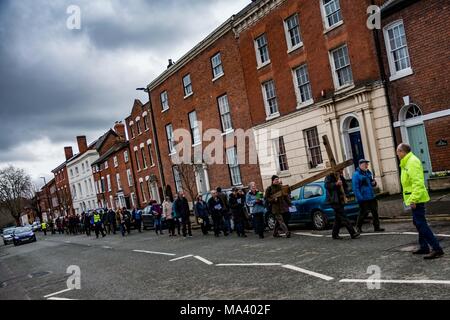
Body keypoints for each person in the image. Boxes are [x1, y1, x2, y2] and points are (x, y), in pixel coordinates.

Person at [397, 143, 444, 259]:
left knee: (421, 223)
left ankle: (437, 248)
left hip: (416, 198)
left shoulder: (412, 162)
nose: (397, 154)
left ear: (403, 152)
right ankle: (424, 246)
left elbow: (417, 182)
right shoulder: (406, 162)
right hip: (413, 197)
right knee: (417, 222)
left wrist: (413, 199)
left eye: (398, 151)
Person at [325, 170, 360, 240]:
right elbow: (327, 185)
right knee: (344, 217)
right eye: (341, 170)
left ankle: (334, 234)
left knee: (338, 219)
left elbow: (345, 185)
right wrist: (336, 184)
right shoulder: (329, 176)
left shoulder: (340, 176)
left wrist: (346, 194)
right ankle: (352, 233)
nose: (342, 172)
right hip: (334, 201)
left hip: (340, 200)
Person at [352, 159, 385, 233]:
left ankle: (377, 227)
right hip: (363, 198)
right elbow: (355, 188)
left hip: (371, 196)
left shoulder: (368, 173)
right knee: (362, 213)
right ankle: (358, 227)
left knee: (375, 212)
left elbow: (372, 183)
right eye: (365, 164)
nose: (366, 166)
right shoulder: (356, 175)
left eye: (367, 164)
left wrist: (374, 183)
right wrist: (360, 198)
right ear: (360, 165)